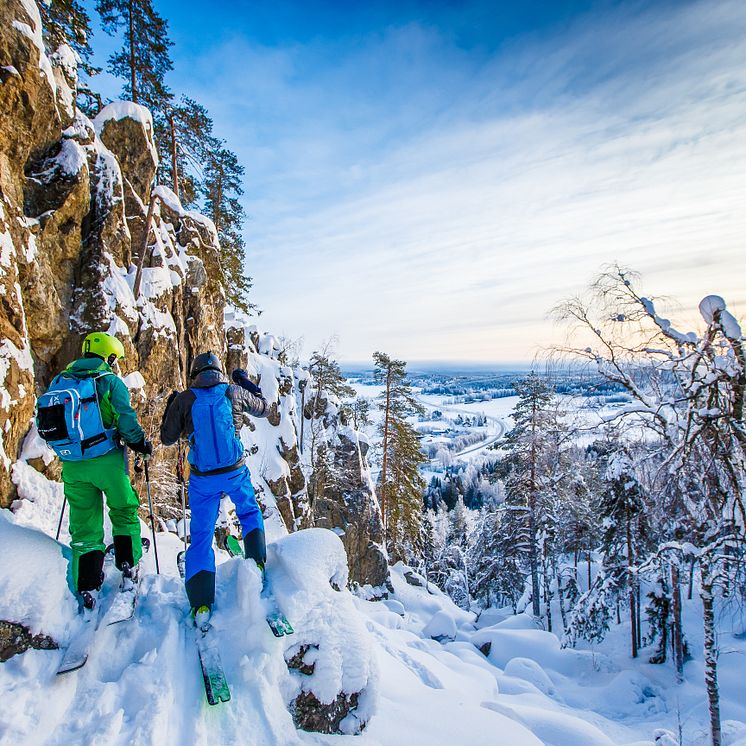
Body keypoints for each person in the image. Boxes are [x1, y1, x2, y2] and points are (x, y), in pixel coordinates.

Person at [37, 332, 152, 607]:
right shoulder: (109, 381)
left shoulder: (60, 381)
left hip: (73, 464)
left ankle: (87, 584)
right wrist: (140, 444)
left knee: (84, 525)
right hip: (107, 460)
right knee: (123, 509)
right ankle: (129, 563)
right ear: (108, 356)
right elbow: (126, 419)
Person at [160, 352, 269, 622]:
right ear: (219, 371)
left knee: (201, 535)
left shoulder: (186, 399)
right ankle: (256, 563)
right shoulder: (233, 392)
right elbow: (266, 408)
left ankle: (202, 604)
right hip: (234, 471)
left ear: (194, 374)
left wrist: (172, 404)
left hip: (203, 479)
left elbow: (167, 438)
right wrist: (246, 383)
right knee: (248, 511)